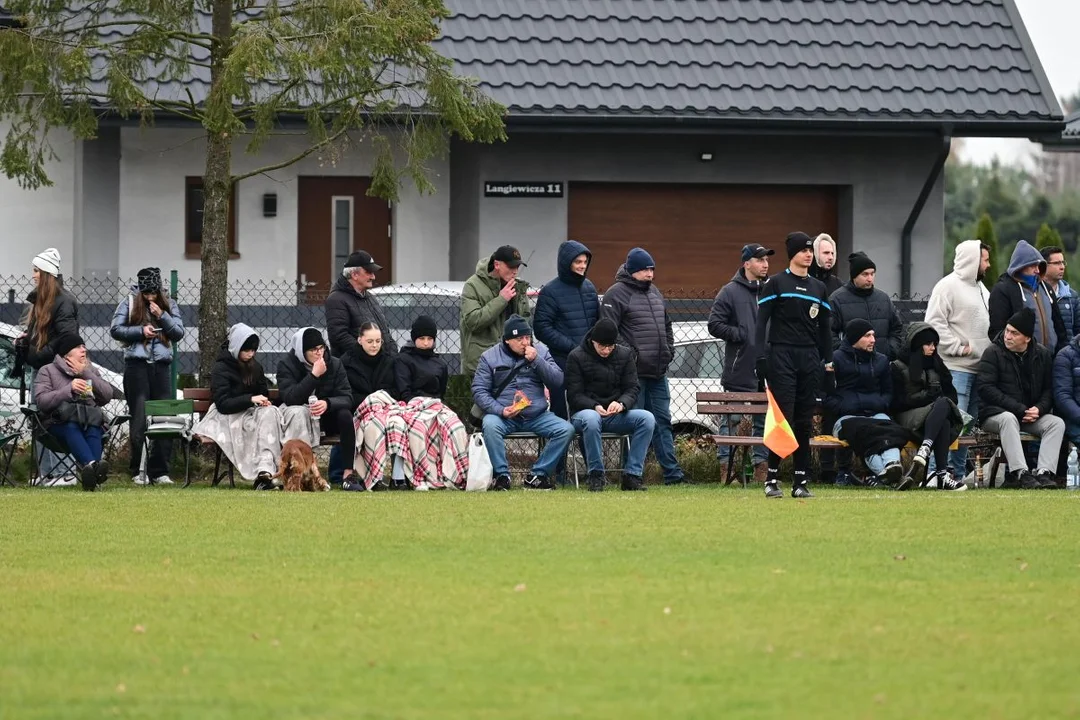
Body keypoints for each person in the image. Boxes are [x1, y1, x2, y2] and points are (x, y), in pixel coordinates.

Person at [755, 232, 833, 498]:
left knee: (804, 421)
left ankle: (801, 481)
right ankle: (772, 479)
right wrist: (760, 358)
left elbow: (825, 329)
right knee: (783, 417)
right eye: (803, 250)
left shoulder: (818, 288)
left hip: (809, 357)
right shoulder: (776, 283)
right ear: (793, 254)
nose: (809, 254)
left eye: (811, 250)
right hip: (782, 355)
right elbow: (760, 324)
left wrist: (829, 361)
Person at [600, 247, 685, 485]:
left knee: (663, 421)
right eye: (645, 270)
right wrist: (632, 356)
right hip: (632, 375)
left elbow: (667, 325)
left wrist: (668, 350)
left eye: (652, 269)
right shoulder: (616, 294)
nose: (650, 274)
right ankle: (631, 474)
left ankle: (673, 474)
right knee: (636, 423)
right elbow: (609, 331)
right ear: (633, 270)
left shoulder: (655, 292)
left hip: (658, 372)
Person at [472, 315, 574, 491]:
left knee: (566, 429)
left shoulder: (540, 351)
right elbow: (479, 391)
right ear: (507, 340)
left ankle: (537, 475)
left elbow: (558, 381)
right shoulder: (489, 357)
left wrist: (537, 361)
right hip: (505, 416)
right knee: (489, 424)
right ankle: (502, 476)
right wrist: (500, 410)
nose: (525, 342)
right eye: (519, 339)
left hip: (537, 414)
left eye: (527, 337)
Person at [109, 267, 185, 486]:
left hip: (161, 368)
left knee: (164, 418)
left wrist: (163, 316)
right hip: (137, 366)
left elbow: (178, 332)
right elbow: (116, 329)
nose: (150, 297)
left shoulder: (169, 305)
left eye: (154, 292)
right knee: (139, 418)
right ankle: (138, 469)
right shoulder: (130, 303)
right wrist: (140, 332)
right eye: (147, 293)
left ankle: (160, 470)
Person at [925, 240, 992, 482]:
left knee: (966, 427)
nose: (988, 264)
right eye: (984, 259)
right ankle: (935, 472)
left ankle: (958, 473)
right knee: (951, 422)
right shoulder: (947, 286)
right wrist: (958, 347)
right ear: (973, 260)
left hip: (979, 371)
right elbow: (934, 323)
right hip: (956, 369)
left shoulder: (982, 289)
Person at [564, 318, 654, 492]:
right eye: (602, 346)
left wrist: (622, 403)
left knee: (647, 418)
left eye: (610, 346)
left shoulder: (625, 354)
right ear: (593, 341)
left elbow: (633, 387)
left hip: (615, 414)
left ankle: (632, 476)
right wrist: (594, 406)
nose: (606, 350)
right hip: (584, 414)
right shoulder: (576, 356)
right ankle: (596, 475)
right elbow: (574, 395)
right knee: (591, 419)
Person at [707, 243, 772, 482]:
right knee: (731, 421)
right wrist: (741, 334)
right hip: (739, 368)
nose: (765, 264)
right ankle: (726, 470)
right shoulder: (729, 291)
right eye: (760, 260)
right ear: (747, 263)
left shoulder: (771, 290)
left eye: (767, 260)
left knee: (763, 421)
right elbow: (714, 324)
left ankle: (761, 471)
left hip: (767, 368)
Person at [978, 308, 1062, 489]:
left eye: (1014, 333)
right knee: (1008, 419)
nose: (1008, 336)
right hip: (995, 415)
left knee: (1056, 423)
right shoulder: (992, 352)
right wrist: (1019, 409)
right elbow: (986, 389)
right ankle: (1020, 473)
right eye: (1007, 330)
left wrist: (1039, 409)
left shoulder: (1043, 355)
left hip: (1028, 415)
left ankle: (1044, 473)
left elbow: (1049, 390)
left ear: (1027, 338)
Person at [191, 323, 283, 490]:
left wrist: (263, 400)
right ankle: (261, 473)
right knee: (256, 424)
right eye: (246, 350)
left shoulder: (255, 367)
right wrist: (251, 399)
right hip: (227, 415)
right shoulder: (221, 368)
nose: (250, 354)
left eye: (253, 350)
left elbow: (262, 392)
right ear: (236, 347)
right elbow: (223, 404)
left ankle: (266, 470)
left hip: (250, 413)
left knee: (271, 413)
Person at [21, 248, 80, 486]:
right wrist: (26, 343)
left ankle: (63, 473)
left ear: (46, 273)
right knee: (40, 419)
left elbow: (67, 338)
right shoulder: (43, 299)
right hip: (42, 368)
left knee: (56, 418)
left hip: (56, 370)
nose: (33, 275)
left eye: (36, 271)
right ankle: (47, 473)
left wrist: (38, 354)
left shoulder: (63, 302)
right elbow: (46, 336)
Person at [826, 320, 907, 487]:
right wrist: (842, 407)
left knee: (889, 430)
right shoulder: (835, 359)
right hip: (846, 418)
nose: (873, 340)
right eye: (867, 336)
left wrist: (881, 403)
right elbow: (824, 393)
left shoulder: (881, 361)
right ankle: (892, 477)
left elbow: (888, 391)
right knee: (865, 436)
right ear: (855, 338)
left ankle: (891, 467)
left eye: (873, 335)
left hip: (875, 414)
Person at [32, 333, 116, 491]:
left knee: (94, 426)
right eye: (78, 347)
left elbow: (107, 395)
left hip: (88, 419)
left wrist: (85, 373)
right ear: (66, 353)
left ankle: (91, 471)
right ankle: (94, 467)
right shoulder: (47, 371)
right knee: (71, 426)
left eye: (84, 346)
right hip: (57, 423)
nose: (84, 350)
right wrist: (68, 390)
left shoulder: (90, 370)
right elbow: (42, 401)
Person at [890, 323, 967, 491]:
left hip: (931, 421)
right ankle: (939, 471)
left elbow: (952, 396)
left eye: (934, 344)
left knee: (945, 418)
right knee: (942, 405)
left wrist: (935, 401)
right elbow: (896, 403)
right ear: (918, 345)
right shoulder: (897, 366)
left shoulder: (937, 365)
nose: (932, 348)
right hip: (907, 419)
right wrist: (927, 398)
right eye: (928, 344)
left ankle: (937, 469)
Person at [277, 327, 355, 486]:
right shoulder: (287, 364)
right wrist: (314, 375)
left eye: (322, 348)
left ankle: (348, 474)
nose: (319, 353)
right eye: (313, 350)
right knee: (298, 413)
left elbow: (347, 396)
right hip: (300, 415)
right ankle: (300, 473)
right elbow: (291, 398)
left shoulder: (334, 363)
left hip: (325, 415)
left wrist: (328, 403)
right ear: (302, 351)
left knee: (345, 415)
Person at [534, 240, 600, 420]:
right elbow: (541, 328)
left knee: (589, 414)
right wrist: (572, 347)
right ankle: (561, 449)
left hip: (590, 362)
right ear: (566, 262)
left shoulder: (589, 287)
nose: (582, 266)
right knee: (562, 414)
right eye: (578, 262)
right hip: (562, 362)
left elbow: (597, 322)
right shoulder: (550, 291)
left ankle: (588, 449)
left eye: (585, 262)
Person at [460, 245, 532, 380]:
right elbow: (473, 321)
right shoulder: (473, 285)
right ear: (497, 264)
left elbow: (525, 323)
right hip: (482, 363)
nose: (515, 271)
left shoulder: (518, 286)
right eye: (511, 267)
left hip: (514, 360)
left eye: (517, 267)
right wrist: (501, 299)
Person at [988, 240, 1065, 354]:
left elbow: (1059, 325)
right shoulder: (1003, 289)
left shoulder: (1046, 288)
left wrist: (1061, 352)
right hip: (1020, 361)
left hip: (1049, 359)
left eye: (1039, 265)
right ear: (1020, 266)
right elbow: (997, 330)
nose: (1037, 270)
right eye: (1033, 265)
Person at [828, 252, 904, 360]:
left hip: (881, 364)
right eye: (865, 274)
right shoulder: (837, 299)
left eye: (872, 274)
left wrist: (891, 350)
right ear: (854, 276)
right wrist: (845, 354)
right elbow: (829, 332)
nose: (870, 278)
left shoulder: (883, 299)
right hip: (852, 366)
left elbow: (897, 328)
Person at [324, 250, 397, 359]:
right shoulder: (336, 299)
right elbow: (339, 337)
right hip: (355, 370)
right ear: (354, 275)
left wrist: (392, 356)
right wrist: (369, 355)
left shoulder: (370, 298)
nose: (373, 277)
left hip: (380, 365)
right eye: (369, 272)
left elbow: (385, 332)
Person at [343, 322, 398, 408]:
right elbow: (346, 394)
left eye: (378, 341)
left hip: (385, 407)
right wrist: (370, 400)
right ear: (360, 340)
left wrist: (380, 397)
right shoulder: (347, 362)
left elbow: (396, 390)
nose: (374, 345)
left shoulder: (389, 361)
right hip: (357, 409)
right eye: (370, 341)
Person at [395, 315, 449, 402]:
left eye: (430, 338)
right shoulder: (403, 360)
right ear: (414, 338)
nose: (426, 343)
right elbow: (404, 392)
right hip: (411, 405)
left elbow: (441, 393)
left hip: (435, 405)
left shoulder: (441, 364)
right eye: (422, 338)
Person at [1040, 246, 1079, 341]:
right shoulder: (1034, 294)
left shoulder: (1072, 296)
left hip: (1067, 354)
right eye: (1057, 263)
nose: (1062, 267)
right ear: (1044, 265)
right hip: (1042, 353)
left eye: (1063, 262)